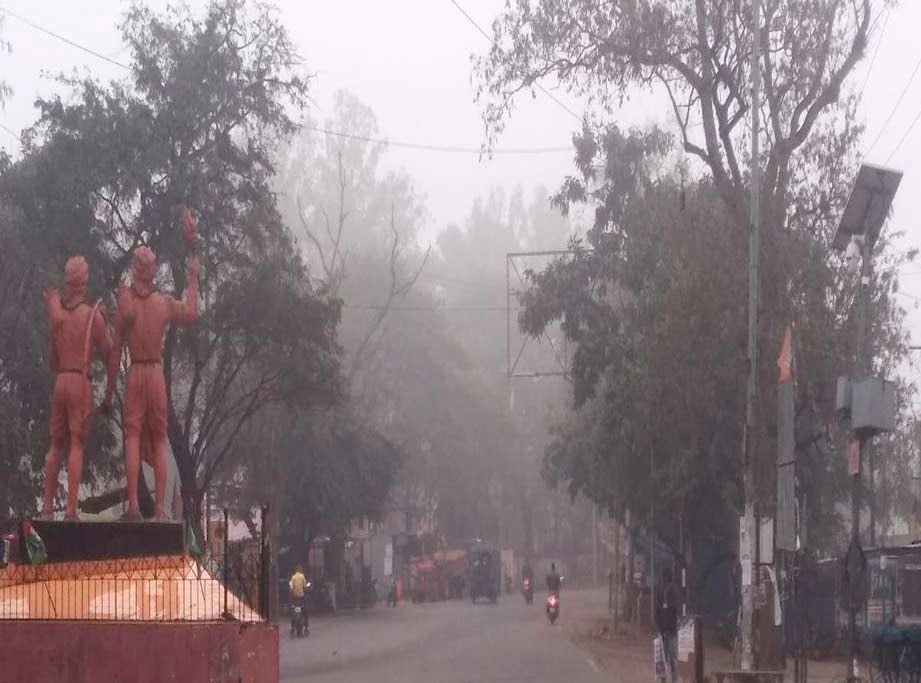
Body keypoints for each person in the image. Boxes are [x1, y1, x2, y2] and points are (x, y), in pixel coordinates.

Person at [103, 207, 200, 521]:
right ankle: (160, 509)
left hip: (135, 373)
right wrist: (193, 272)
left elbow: (114, 353)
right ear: (153, 271)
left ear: (135, 269)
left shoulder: (126, 306)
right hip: (156, 373)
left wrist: (108, 395)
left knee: (132, 436)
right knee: (160, 438)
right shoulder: (164, 303)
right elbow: (191, 311)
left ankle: (133, 506)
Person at [39, 256, 112, 521]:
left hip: (61, 380)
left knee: (55, 445)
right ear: (85, 282)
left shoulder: (57, 318)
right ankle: (70, 510)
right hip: (81, 381)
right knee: (77, 445)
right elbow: (109, 353)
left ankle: (47, 508)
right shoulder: (92, 317)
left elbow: (52, 361)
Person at [655, 567, 680, 683]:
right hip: (671, 629)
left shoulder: (662, 590)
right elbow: (676, 607)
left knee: (664, 657)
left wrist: (658, 627)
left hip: (665, 629)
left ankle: (664, 679)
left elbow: (657, 611)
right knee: (672, 658)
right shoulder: (673, 589)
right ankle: (672, 680)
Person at [289, 564, 308, 632]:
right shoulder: (302, 576)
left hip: (295, 597)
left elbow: (291, 588)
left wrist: (292, 595)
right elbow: (305, 587)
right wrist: (305, 590)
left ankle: (292, 627)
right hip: (301, 597)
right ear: (300, 569)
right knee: (305, 610)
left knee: (293, 610)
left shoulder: (293, 577)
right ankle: (306, 627)